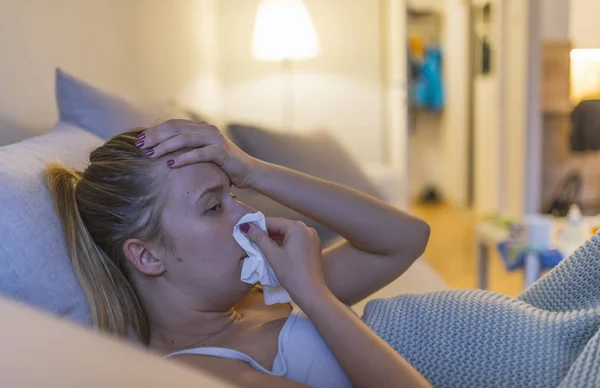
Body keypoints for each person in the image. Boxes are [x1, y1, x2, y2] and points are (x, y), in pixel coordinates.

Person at [46, 119, 432, 388]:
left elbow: (406, 237)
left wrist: (252, 171)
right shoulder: (202, 372)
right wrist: (315, 297)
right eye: (213, 207)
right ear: (147, 257)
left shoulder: (264, 296)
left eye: (233, 194)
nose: (250, 213)